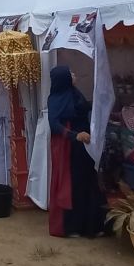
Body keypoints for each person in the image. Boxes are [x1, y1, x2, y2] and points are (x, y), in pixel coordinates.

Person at [47, 65, 107, 238]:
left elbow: (83, 108)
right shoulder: (56, 99)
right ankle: (72, 227)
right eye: (70, 73)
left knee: (89, 182)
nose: (74, 74)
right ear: (64, 78)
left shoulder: (74, 93)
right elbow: (54, 124)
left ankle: (93, 226)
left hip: (85, 146)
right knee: (74, 185)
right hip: (70, 148)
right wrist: (75, 135)